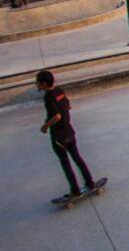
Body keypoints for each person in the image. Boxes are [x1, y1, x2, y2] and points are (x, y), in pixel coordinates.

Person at [37, 70, 97, 201]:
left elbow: (56, 116)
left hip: (59, 136)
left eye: (38, 82)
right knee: (77, 159)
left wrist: (45, 125)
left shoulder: (48, 97)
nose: (37, 85)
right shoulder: (60, 91)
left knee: (66, 163)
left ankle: (75, 190)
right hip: (69, 131)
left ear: (43, 83)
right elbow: (68, 106)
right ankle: (90, 183)